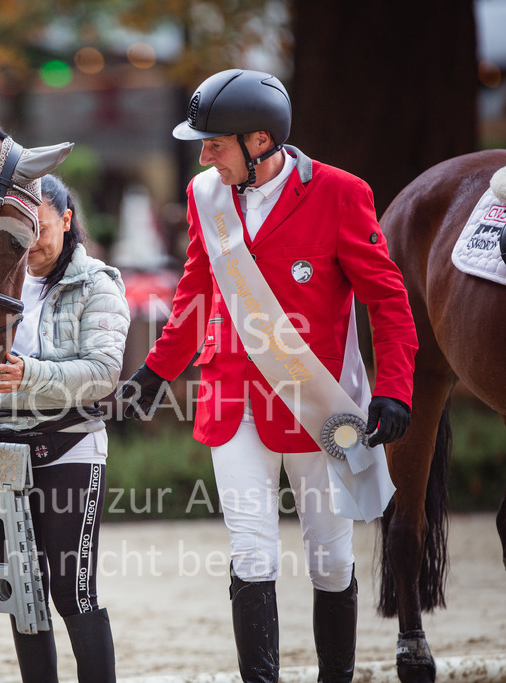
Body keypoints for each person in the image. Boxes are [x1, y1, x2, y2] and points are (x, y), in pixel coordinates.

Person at [117, 69, 418, 682]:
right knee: (251, 555)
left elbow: (387, 301)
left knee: (331, 562)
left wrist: (393, 388)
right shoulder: (208, 196)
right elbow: (194, 290)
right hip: (231, 401)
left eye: (214, 144)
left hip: (316, 406)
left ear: (259, 141)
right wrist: (154, 373)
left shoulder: (340, 193)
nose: (202, 157)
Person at [0, 174, 130, 683]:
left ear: (67, 220)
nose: (29, 242)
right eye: (19, 231)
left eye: (41, 227)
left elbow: (101, 375)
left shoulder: (98, 283)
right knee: (22, 592)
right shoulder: (0, 287)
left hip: (72, 446)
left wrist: (28, 376)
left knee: (72, 590)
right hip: (7, 453)